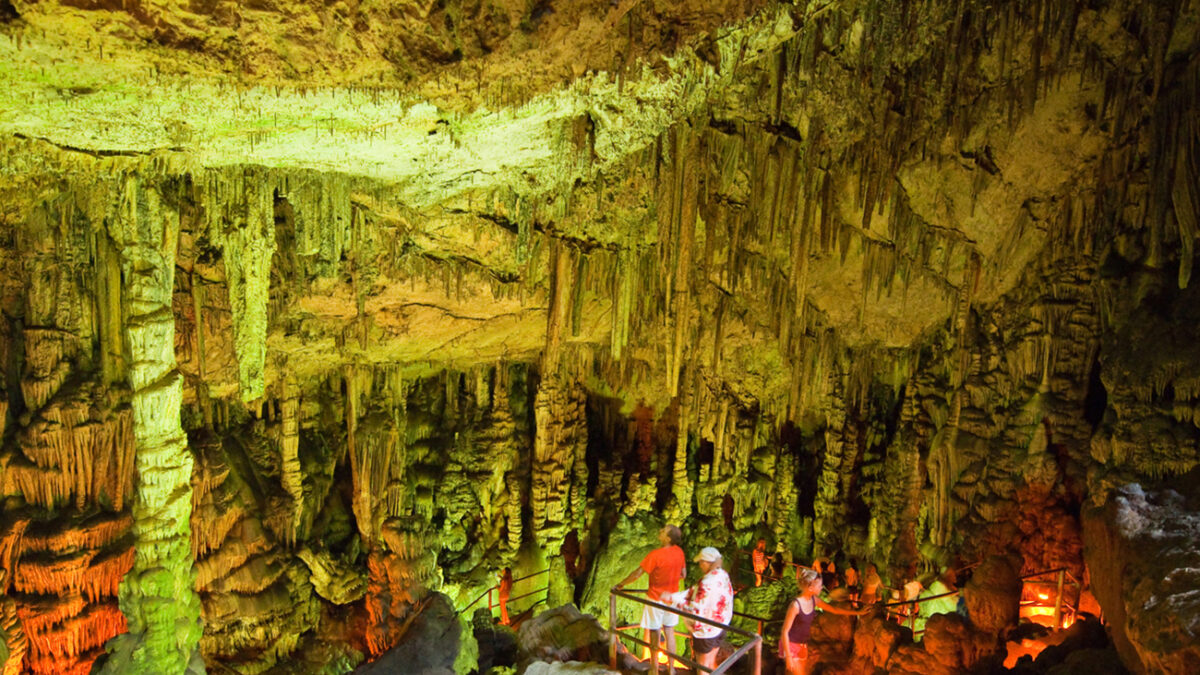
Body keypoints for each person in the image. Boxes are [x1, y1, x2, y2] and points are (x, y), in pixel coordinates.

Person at [615, 524, 686, 666]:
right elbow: (683, 575)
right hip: (672, 599)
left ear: (668, 538)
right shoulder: (679, 552)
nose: (660, 530)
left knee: (654, 632)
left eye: (664, 531)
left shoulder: (656, 555)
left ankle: (654, 668)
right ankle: (671, 669)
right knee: (669, 632)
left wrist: (621, 584)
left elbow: (637, 573)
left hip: (656, 599)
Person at [779, 568, 868, 675]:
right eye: (819, 585)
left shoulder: (814, 600)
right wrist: (788, 656)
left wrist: (859, 613)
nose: (821, 587)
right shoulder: (795, 605)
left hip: (803, 644)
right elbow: (785, 631)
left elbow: (834, 610)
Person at [667, 546, 734, 671]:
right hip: (721, 626)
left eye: (700, 562)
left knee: (702, 666)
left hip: (706, 631)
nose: (700, 566)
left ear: (706, 562)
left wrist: (674, 602)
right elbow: (694, 591)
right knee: (710, 664)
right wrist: (674, 596)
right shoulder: (722, 574)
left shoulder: (707, 581)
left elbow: (695, 609)